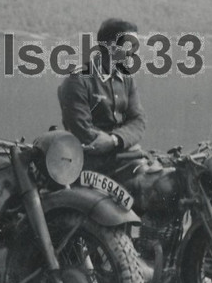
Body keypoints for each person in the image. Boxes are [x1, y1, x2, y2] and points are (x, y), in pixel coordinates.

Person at [57, 18, 146, 172]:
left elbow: (138, 120)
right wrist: (117, 142)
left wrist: (115, 140)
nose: (134, 52)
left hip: (122, 155)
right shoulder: (78, 80)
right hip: (88, 163)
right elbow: (81, 130)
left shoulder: (126, 79)